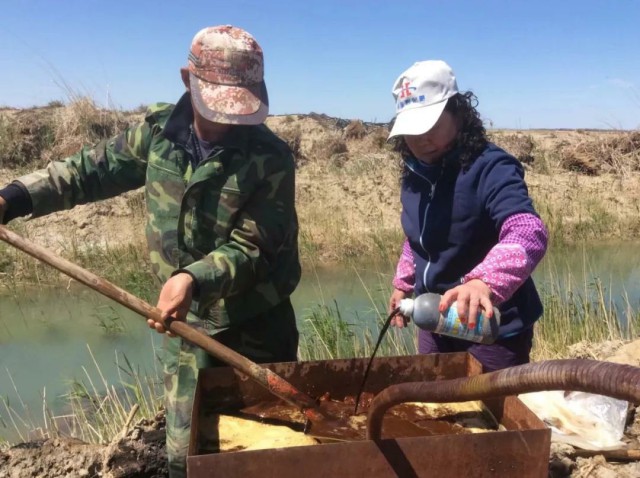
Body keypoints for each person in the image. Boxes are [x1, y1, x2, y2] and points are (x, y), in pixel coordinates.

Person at [0, 25, 300, 477]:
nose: (228, 122)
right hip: (184, 323)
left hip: (257, 324)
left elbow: (255, 248)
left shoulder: (270, 157)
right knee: (187, 453)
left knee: (271, 448)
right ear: (188, 82)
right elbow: (87, 173)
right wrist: (14, 197)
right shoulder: (157, 134)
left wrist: (192, 278)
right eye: (219, 106)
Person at [386, 60, 548, 372]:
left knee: (487, 415)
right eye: (411, 130)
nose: (420, 140)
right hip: (435, 319)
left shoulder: (491, 168)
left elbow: (528, 231)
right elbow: (417, 238)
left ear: (459, 114)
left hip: (490, 328)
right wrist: (403, 284)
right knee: (435, 411)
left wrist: (483, 283)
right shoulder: (416, 173)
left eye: (430, 125)